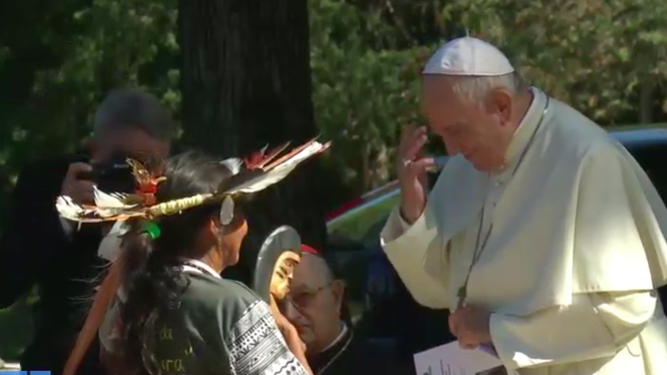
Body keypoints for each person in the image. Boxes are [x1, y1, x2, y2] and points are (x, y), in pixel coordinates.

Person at [381, 36, 667, 375]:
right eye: (442, 134)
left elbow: (623, 312)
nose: (452, 149)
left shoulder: (586, 157)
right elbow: (437, 293)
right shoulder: (466, 168)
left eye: (457, 130)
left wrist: (495, 330)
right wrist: (414, 214)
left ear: (501, 106)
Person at [60, 141, 329, 375]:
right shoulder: (233, 305)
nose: (246, 226)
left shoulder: (131, 299)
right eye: (241, 213)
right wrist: (290, 337)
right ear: (218, 221)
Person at [0, 89, 172, 374]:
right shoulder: (49, 183)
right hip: (62, 362)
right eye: (123, 161)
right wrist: (63, 220)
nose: (134, 176)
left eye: (147, 165)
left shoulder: (176, 193)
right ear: (92, 150)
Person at [282, 245, 410, 375]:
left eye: (303, 296)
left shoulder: (391, 361)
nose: (289, 315)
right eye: (279, 303)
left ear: (336, 295)